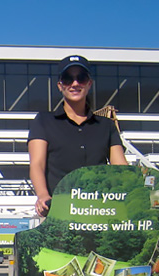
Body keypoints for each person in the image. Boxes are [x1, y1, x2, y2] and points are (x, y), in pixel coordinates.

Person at [29, 55, 127, 216]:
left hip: (99, 211)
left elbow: (121, 168)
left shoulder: (106, 125)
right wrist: (43, 195)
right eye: (68, 79)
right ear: (60, 85)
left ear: (89, 83)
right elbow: (37, 164)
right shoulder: (43, 121)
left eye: (81, 78)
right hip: (60, 212)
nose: (75, 84)